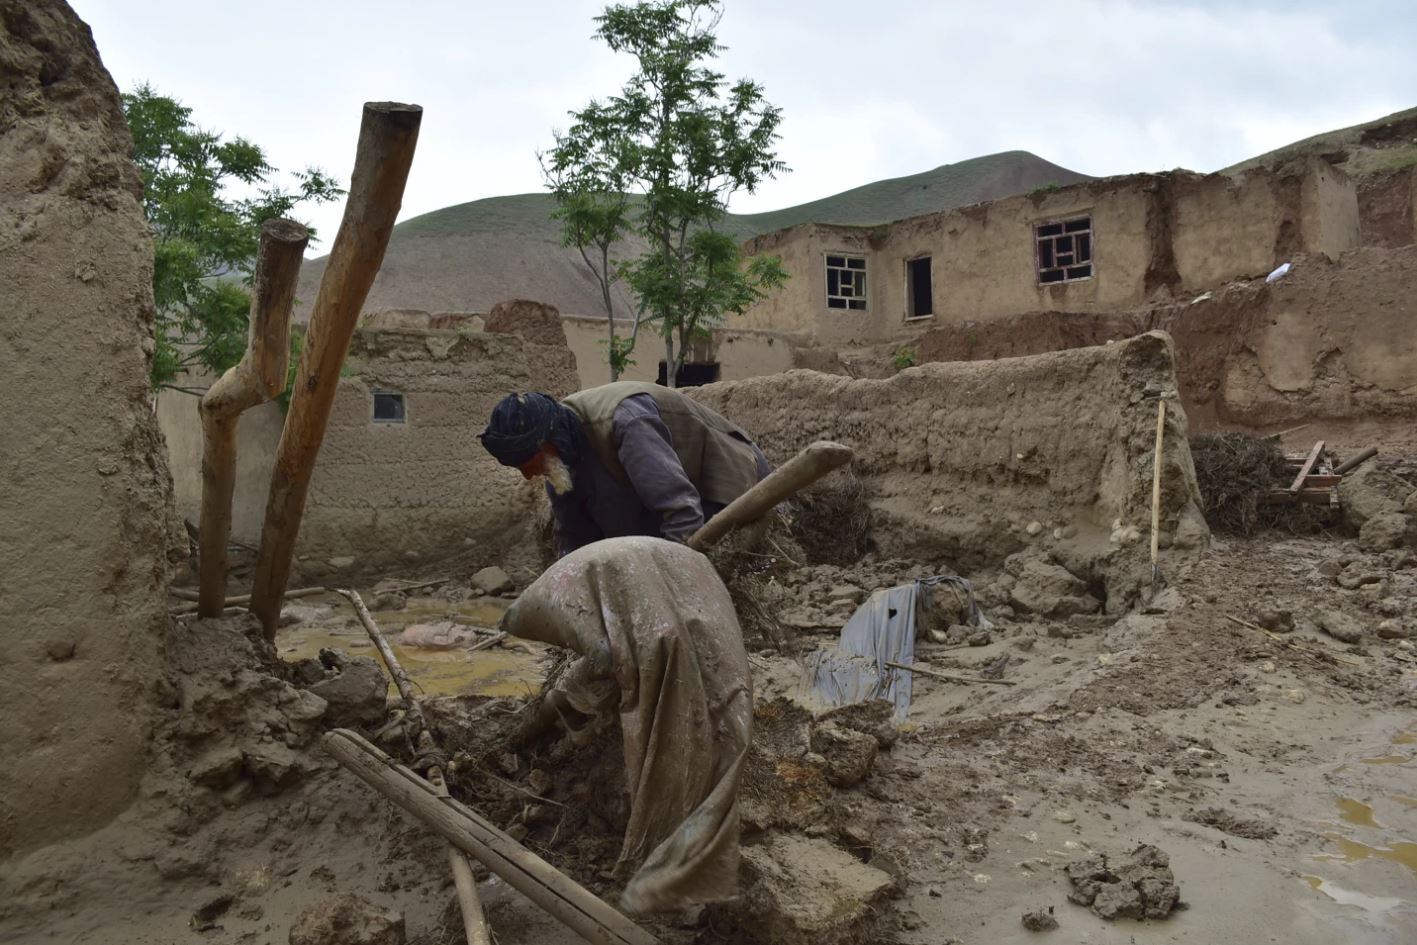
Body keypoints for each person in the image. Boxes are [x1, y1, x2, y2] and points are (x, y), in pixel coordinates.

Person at [478, 381, 770, 557]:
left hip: (730, 482)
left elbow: (680, 512)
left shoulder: (626, 421)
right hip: (678, 501)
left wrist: (672, 585)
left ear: (547, 442)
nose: (528, 475)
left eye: (530, 464)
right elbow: (574, 539)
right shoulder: (559, 462)